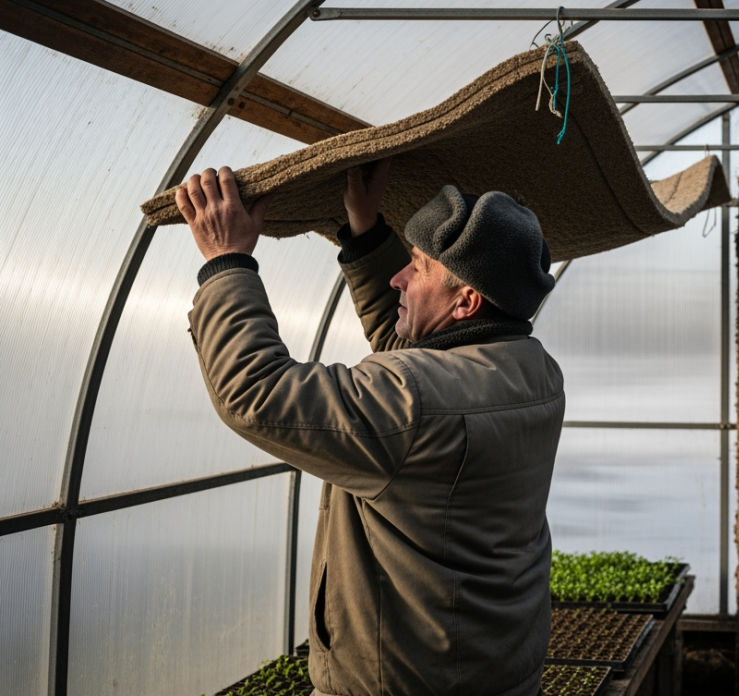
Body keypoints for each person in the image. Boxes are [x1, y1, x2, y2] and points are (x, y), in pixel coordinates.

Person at [177, 161, 564, 696]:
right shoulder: (531, 370)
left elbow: (256, 391)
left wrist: (228, 263)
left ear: (467, 301)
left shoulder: (416, 402)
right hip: (492, 668)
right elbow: (417, 354)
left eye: (417, 266)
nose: (399, 278)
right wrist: (366, 234)